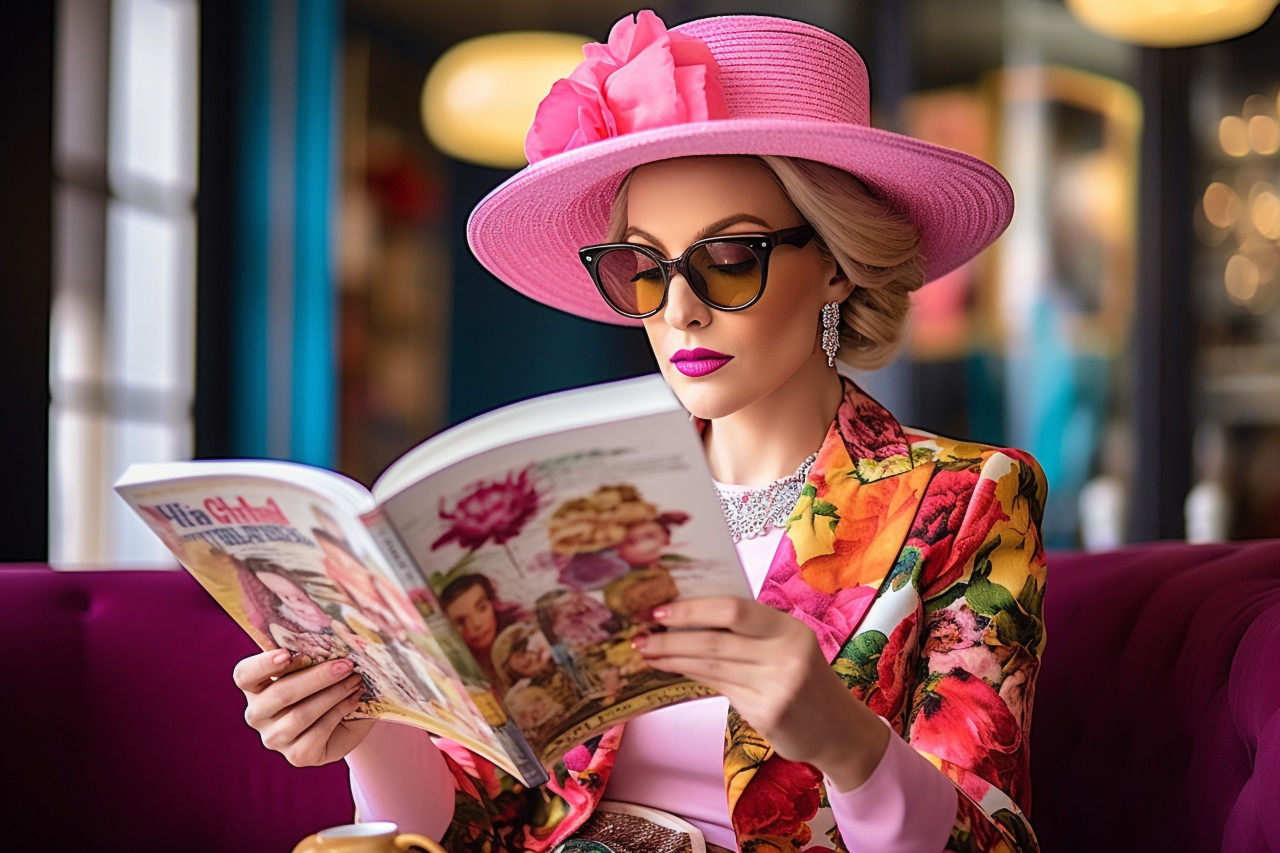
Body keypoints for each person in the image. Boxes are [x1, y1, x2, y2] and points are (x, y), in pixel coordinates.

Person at [232, 12, 1047, 853]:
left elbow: (992, 842)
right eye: (644, 268)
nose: (679, 308)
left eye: (729, 258)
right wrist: (369, 725)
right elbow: (483, 820)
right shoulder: (577, 500)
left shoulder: (968, 498)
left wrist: (847, 741)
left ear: (836, 262)